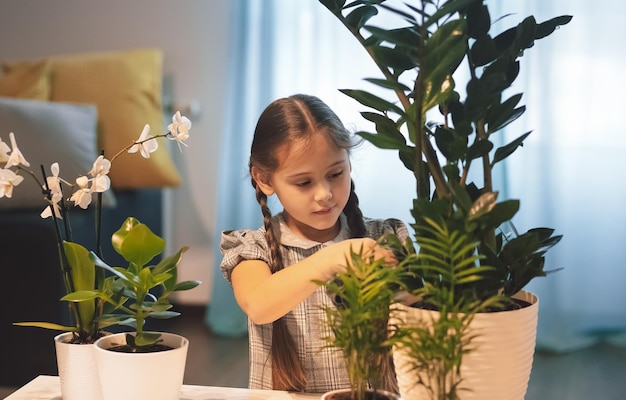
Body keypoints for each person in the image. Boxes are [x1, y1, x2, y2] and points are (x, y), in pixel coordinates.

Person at [219, 94, 409, 393]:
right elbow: (258, 304)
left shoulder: (383, 237)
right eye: (304, 182)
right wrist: (333, 258)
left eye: (335, 174)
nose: (324, 194)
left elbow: (416, 317)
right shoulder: (252, 248)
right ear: (264, 179)